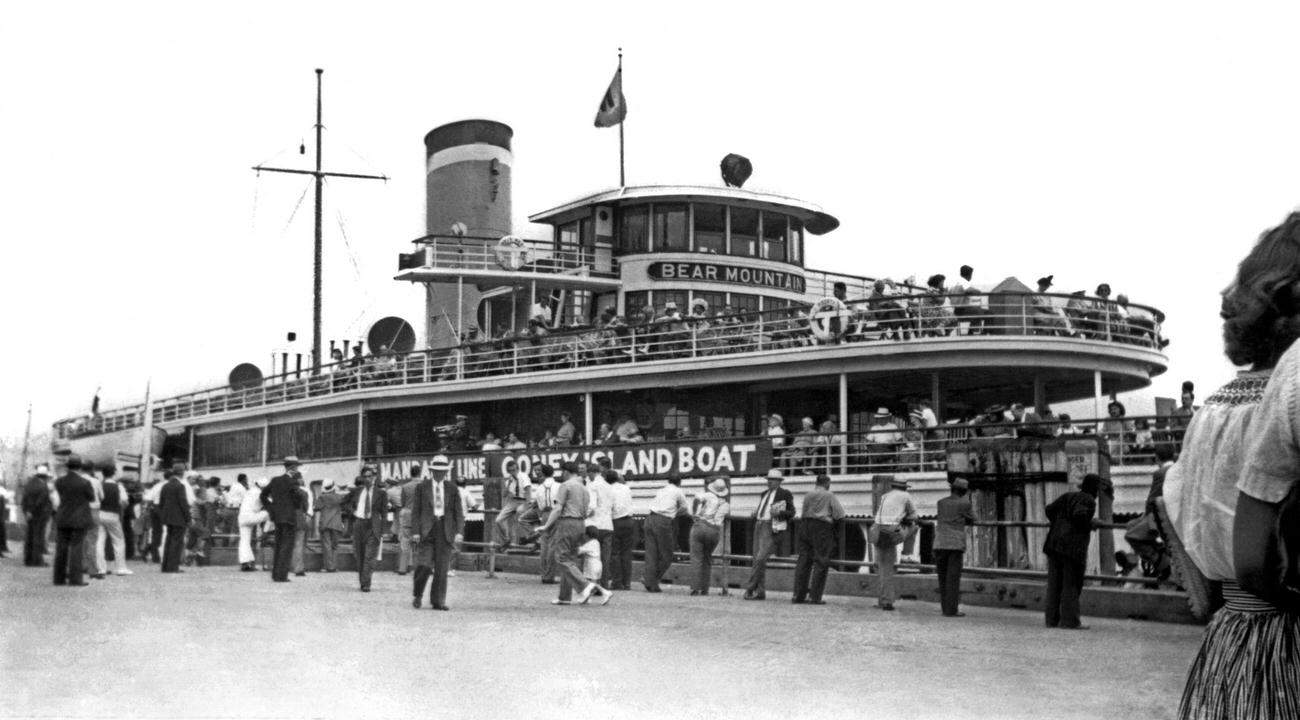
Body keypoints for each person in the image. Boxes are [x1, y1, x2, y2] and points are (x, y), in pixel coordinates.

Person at [1163, 214, 1300, 716]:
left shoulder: (1215, 408)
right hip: (1286, 632)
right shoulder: (1283, 399)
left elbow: (1181, 507)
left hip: (1232, 636)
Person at [537, 461, 612, 606]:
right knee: (569, 559)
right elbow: (588, 510)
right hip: (580, 523)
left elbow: (558, 508)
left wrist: (546, 526)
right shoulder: (584, 488)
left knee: (560, 558)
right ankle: (565, 596)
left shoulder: (566, 485)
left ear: (565, 472)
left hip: (567, 522)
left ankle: (585, 586)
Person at [1043, 473, 1101, 629]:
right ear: (1094, 489)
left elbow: (1049, 510)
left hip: (1054, 544)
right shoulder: (1088, 500)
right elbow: (1079, 516)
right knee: (1071, 584)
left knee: (1054, 584)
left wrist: (1059, 524)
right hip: (1072, 548)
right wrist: (1091, 523)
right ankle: (1069, 621)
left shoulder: (1068, 495)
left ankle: (1051, 620)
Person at [411, 455, 465, 610]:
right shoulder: (422, 487)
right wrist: (416, 532)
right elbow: (416, 512)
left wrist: (459, 532)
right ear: (432, 471)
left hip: (445, 529)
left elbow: (458, 512)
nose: (440, 474)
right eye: (437, 470)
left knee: (442, 568)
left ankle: (438, 601)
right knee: (424, 565)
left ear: (446, 472)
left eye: (443, 471)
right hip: (427, 529)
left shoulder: (452, 488)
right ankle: (418, 593)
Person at [792, 474, 846, 605]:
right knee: (821, 561)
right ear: (827, 483)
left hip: (805, 525)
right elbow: (840, 514)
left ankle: (798, 595)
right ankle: (815, 596)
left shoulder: (808, 495)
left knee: (803, 561)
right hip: (821, 527)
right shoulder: (829, 495)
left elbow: (803, 512)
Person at [744, 468, 795, 601]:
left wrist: (779, 513)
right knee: (758, 560)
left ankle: (750, 587)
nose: (769, 482)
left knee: (760, 559)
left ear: (779, 482)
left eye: (772, 480)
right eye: (769, 480)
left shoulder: (785, 494)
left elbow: (792, 512)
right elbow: (764, 508)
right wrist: (757, 512)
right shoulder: (764, 494)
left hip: (769, 526)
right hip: (760, 524)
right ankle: (760, 591)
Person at [871, 477, 917, 611]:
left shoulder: (885, 496)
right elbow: (914, 515)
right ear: (904, 487)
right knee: (915, 527)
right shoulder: (906, 496)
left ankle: (881, 599)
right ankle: (907, 554)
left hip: (876, 530)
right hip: (891, 531)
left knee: (880, 566)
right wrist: (905, 519)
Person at [933, 478, 976, 617]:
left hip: (939, 542)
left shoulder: (941, 502)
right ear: (964, 491)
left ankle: (945, 608)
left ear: (952, 488)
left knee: (942, 577)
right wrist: (964, 519)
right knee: (953, 578)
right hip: (955, 544)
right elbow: (974, 519)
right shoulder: (965, 503)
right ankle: (951, 610)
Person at [52, 454, 95, 586]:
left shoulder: (59, 482)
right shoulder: (85, 483)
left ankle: (58, 578)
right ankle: (75, 579)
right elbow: (91, 498)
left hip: (63, 517)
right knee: (77, 548)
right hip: (79, 519)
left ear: (67, 466)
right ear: (80, 467)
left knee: (61, 549)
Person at [642, 473, 690, 593]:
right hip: (663, 521)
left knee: (651, 553)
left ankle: (649, 580)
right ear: (680, 482)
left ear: (668, 481)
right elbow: (684, 508)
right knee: (667, 554)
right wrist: (675, 513)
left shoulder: (661, 491)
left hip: (650, 518)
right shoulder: (678, 491)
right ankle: (652, 580)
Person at [260, 456, 304, 583]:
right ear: (293, 467)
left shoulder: (275, 480)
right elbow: (298, 500)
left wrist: (271, 508)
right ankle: (281, 576)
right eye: (296, 467)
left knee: (279, 545)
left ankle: (276, 574)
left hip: (278, 517)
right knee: (287, 546)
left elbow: (263, 495)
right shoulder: (293, 482)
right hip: (289, 517)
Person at [346, 464, 387, 592]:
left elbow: (384, 513)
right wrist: (352, 512)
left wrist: (382, 531)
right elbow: (345, 503)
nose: (367, 479)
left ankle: (366, 583)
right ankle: (363, 581)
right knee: (360, 555)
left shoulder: (381, 493)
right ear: (362, 478)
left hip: (373, 525)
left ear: (374, 477)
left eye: (369, 476)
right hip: (359, 524)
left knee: (370, 556)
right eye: (365, 477)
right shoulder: (357, 491)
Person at [689, 477, 730, 596]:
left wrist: (694, 513)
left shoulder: (708, 495)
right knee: (707, 559)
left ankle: (695, 588)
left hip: (701, 525)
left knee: (696, 558)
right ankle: (705, 589)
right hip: (714, 531)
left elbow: (697, 499)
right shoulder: (726, 504)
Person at [94, 465, 132, 577]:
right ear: (114, 473)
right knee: (118, 541)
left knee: (99, 541)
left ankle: (101, 568)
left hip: (99, 514)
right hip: (113, 515)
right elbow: (124, 501)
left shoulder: (99, 485)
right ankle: (121, 568)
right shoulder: (118, 486)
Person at [157, 468, 192, 575]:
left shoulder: (165, 485)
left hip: (168, 518)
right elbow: (183, 503)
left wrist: (164, 516)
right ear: (181, 474)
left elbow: (161, 502)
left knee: (169, 541)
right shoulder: (180, 486)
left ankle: (166, 566)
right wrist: (188, 518)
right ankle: (173, 566)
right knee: (176, 543)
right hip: (179, 518)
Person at [607, 469, 635, 590]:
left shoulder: (608, 490)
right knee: (626, 553)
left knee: (615, 553)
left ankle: (617, 581)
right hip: (629, 521)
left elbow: (610, 507)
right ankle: (627, 582)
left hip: (615, 521)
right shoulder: (626, 488)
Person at [493, 459, 529, 552]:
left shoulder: (523, 476)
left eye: (514, 470)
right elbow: (505, 495)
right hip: (512, 502)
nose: (512, 472)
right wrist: (508, 485)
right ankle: (506, 540)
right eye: (510, 471)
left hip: (522, 501)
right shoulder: (509, 480)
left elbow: (528, 491)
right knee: (498, 520)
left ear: (517, 468)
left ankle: (524, 540)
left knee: (519, 513)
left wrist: (526, 504)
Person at [23, 465, 54, 567]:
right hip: (40, 514)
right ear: (45, 476)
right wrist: (32, 511)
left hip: (30, 514)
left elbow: (24, 499)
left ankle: (28, 559)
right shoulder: (43, 486)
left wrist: (27, 511)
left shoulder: (29, 484)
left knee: (30, 536)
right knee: (38, 536)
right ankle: (37, 560)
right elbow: (40, 501)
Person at [237, 477, 270, 571]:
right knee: (270, 513)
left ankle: (245, 563)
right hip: (251, 516)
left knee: (244, 541)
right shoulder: (260, 493)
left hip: (242, 517)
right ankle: (266, 531)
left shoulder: (249, 491)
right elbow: (268, 504)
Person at [316, 480, 345, 573]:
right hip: (336, 524)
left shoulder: (322, 497)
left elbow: (316, 507)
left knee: (326, 546)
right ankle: (334, 566)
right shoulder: (339, 497)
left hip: (325, 523)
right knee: (335, 546)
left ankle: (327, 566)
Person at [397, 465, 421, 575]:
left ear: (410, 473)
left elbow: (402, 502)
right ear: (420, 473)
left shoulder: (405, 486)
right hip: (420, 515)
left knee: (405, 541)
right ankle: (423, 567)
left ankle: (403, 568)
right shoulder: (424, 485)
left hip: (407, 513)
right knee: (423, 542)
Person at [291, 475, 314, 577]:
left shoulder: (287, 492)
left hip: (288, 519)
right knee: (299, 544)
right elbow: (307, 507)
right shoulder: (305, 492)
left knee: (290, 544)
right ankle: (298, 568)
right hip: (301, 519)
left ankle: (290, 566)